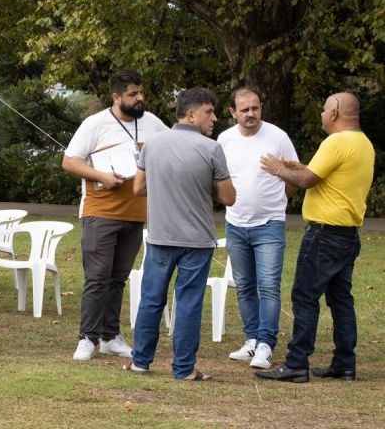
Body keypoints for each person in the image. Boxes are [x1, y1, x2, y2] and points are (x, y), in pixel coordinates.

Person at [255, 92, 375, 383]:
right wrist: (297, 166)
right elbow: (324, 174)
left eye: (324, 109)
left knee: (304, 295)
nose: (321, 114)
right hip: (348, 233)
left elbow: (308, 181)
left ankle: (297, 362)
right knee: (340, 299)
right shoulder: (363, 143)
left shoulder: (336, 141)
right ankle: (345, 363)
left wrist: (279, 170)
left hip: (324, 233)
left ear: (334, 113)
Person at [127, 87, 236, 381]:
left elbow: (138, 188)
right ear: (190, 115)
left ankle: (140, 362)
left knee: (151, 300)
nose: (214, 118)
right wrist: (205, 186)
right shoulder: (211, 149)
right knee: (188, 303)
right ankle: (184, 369)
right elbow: (228, 198)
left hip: (161, 237)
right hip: (197, 241)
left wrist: (166, 186)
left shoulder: (151, 144)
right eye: (209, 112)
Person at [62, 70, 169, 361]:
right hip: (100, 211)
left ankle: (110, 336)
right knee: (98, 276)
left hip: (135, 213)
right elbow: (69, 162)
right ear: (116, 97)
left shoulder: (153, 123)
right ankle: (87, 337)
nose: (140, 98)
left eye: (141, 92)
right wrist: (101, 176)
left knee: (118, 278)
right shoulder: (94, 124)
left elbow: (170, 148)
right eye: (133, 94)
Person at [217, 86, 298, 369]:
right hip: (236, 224)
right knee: (244, 287)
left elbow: (295, 174)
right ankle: (251, 340)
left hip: (269, 225)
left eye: (255, 108)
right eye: (244, 110)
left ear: (261, 107)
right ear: (232, 112)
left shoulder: (278, 137)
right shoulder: (225, 139)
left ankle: (266, 344)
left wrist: (276, 203)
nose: (251, 114)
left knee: (269, 286)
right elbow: (219, 178)